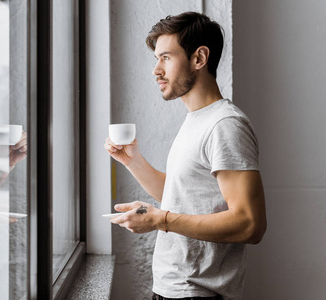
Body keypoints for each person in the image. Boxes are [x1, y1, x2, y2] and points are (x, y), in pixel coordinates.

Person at [104, 12, 266, 300]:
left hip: (198, 293)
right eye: (157, 59)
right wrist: (133, 161)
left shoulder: (225, 125)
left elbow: (250, 224)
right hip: (175, 289)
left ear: (199, 59)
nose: (156, 70)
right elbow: (185, 195)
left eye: (165, 57)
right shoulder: (197, 119)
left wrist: (160, 220)